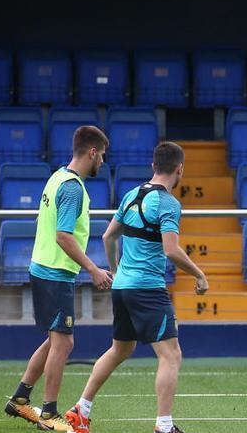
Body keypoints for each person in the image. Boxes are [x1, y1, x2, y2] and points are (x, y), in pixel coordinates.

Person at [65, 142, 209, 433]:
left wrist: (117, 272)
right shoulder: (168, 203)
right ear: (180, 169)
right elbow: (171, 249)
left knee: (120, 349)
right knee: (171, 355)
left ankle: (82, 409)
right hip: (147, 289)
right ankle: (164, 425)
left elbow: (107, 237)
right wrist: (199, 274)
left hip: (124, 288)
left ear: (154, 166)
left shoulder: (132, 194)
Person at [4, 126, 113, 432]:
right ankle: (49, 414)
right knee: (64, 343)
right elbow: (63, 235)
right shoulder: (73, 188)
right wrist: (94, 269)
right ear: (92, 152)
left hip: (44, 268)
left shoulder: (57, 177)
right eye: (102, 155)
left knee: (55, 340)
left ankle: (21, 399)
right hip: (54, 273)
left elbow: (44, 220)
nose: (103, 162)